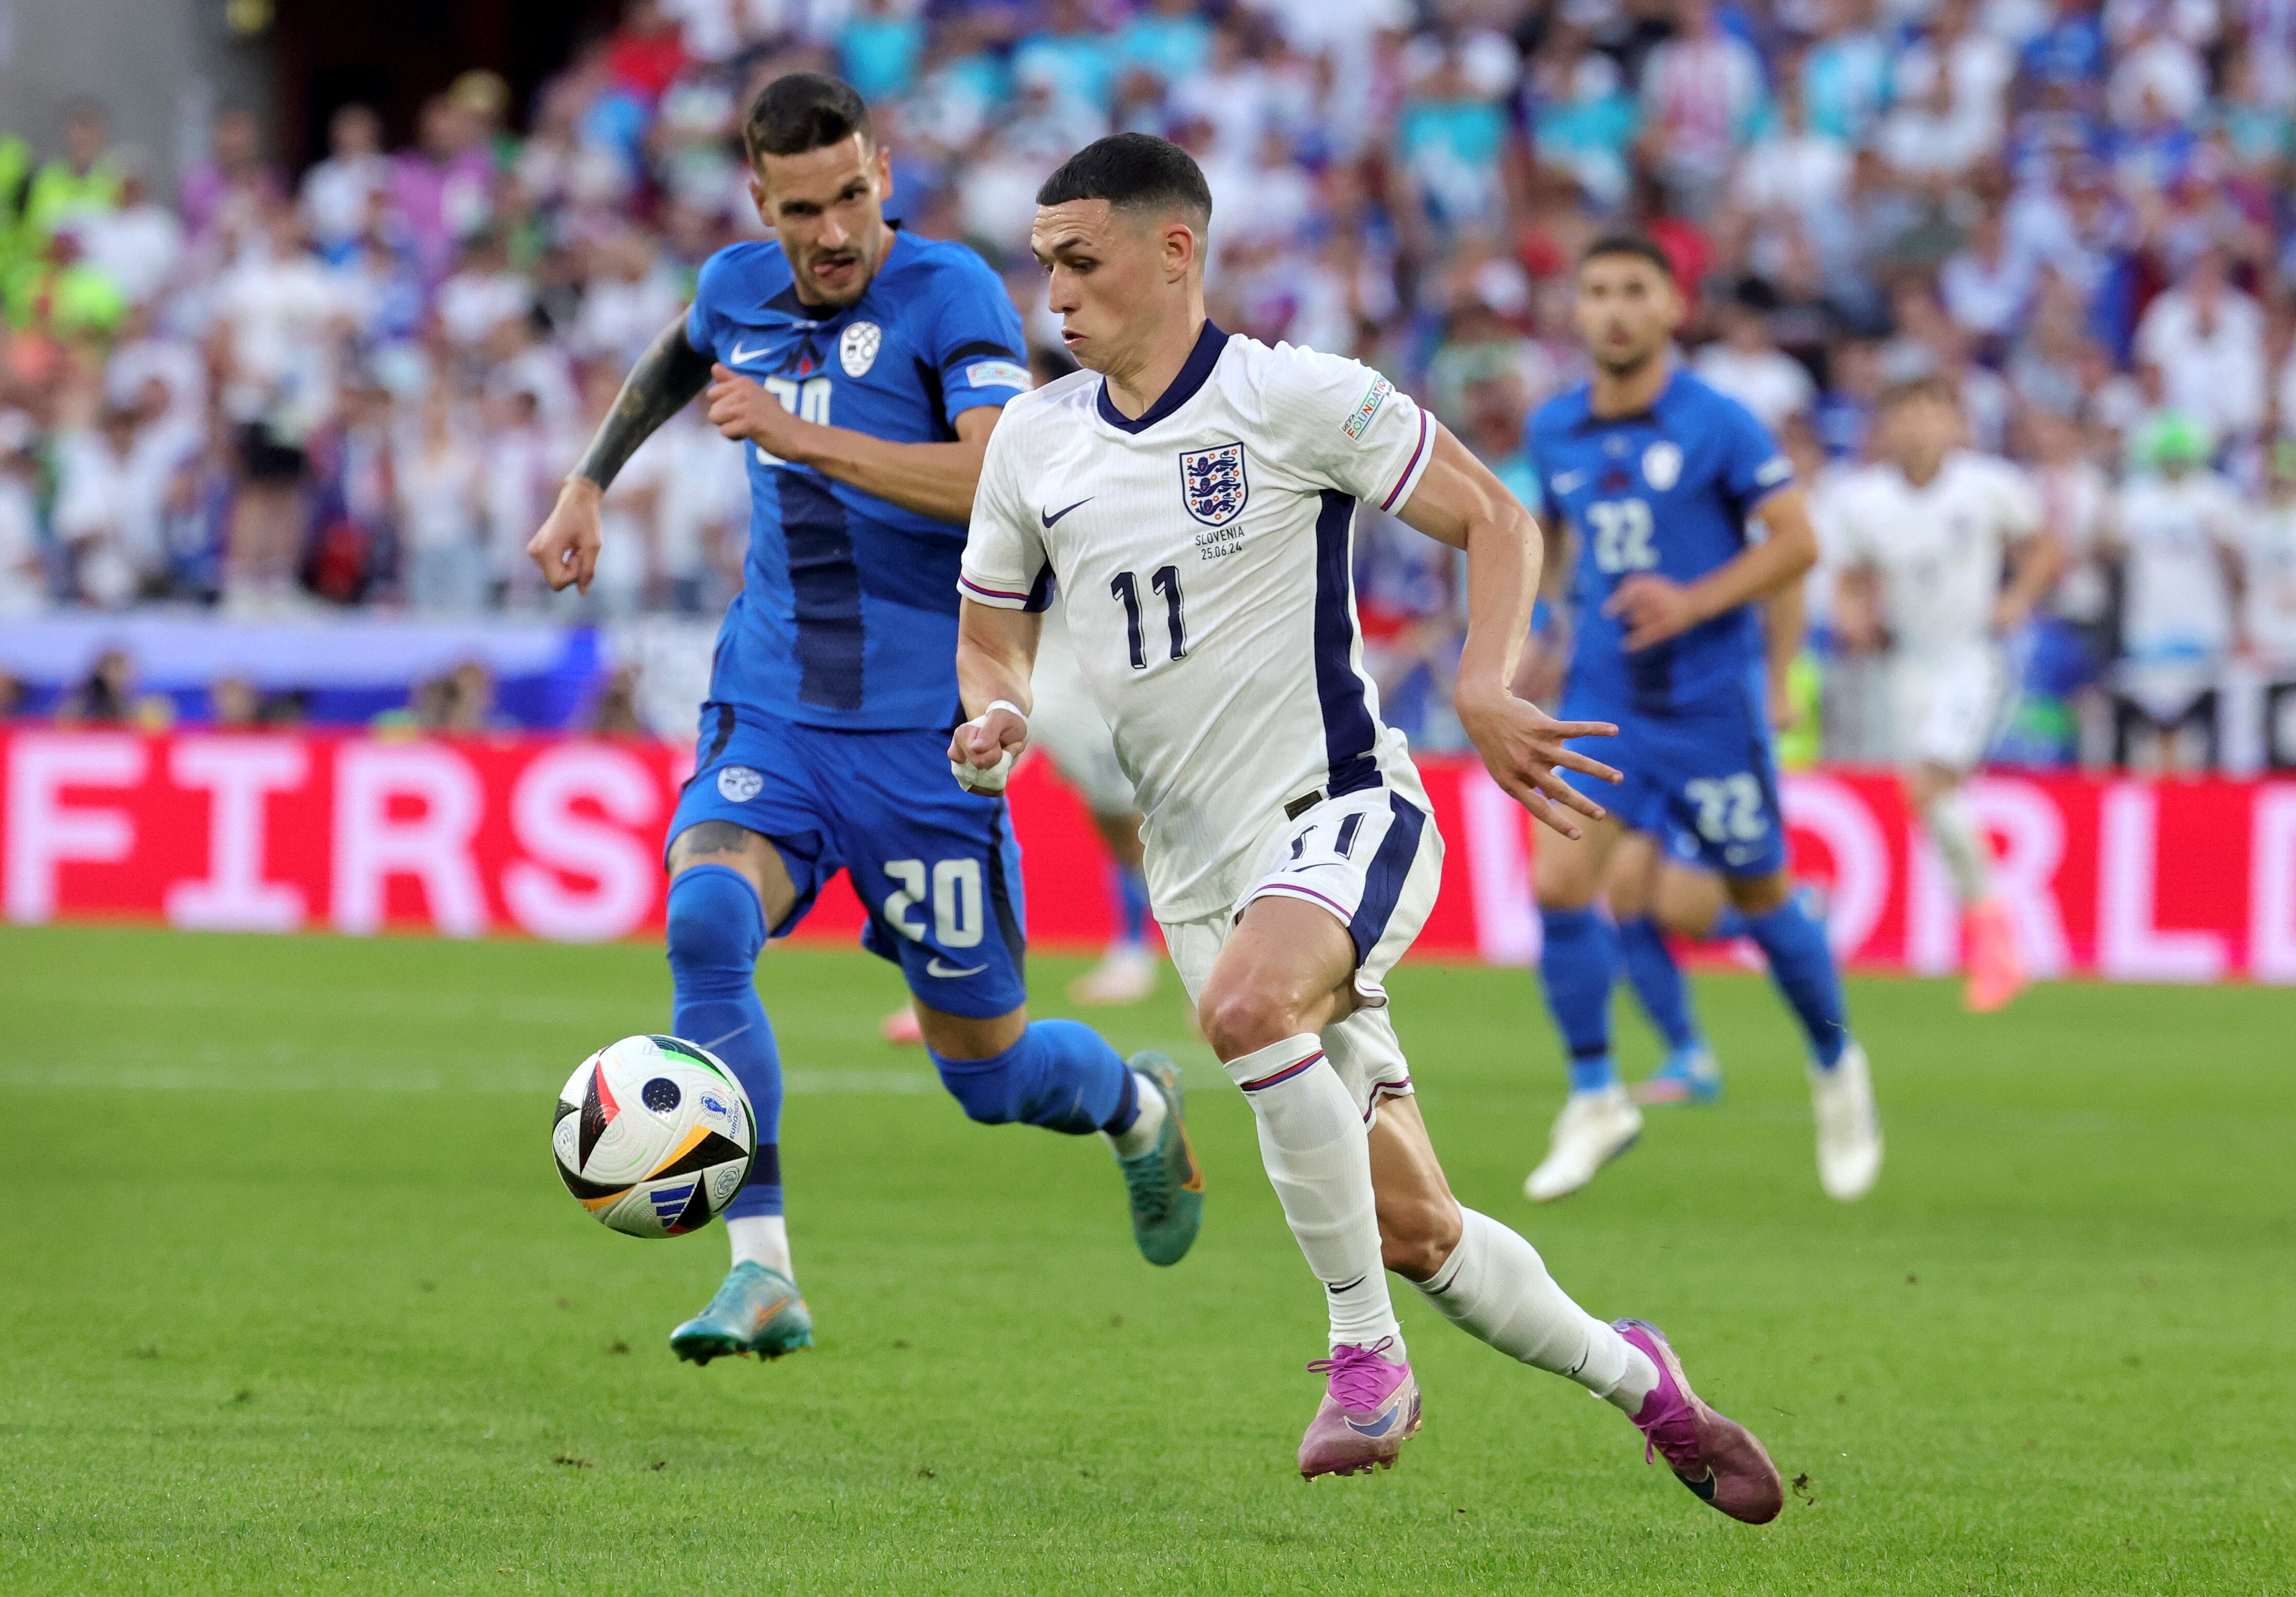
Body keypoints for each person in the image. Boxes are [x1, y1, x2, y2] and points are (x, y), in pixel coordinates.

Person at [954, 133, 1782, 1518]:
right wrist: (995, 714)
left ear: (1175, 253)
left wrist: (1481, 678)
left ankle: (1362, 1358)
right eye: (1043, 265)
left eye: (1081, 261)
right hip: (1199, 871)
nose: (1054, 294)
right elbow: (992, 636)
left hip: (1344, 811)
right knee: (1413, 1225)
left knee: (1245, 1009)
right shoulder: (1036, 441)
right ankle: (1645, 1382)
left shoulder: (1295, 397)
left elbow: (1496, 518)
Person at [526, 76, 1202, 1369]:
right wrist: (586, 481)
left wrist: (797, 435)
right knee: (706, 916)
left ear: (881, 173)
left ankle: (1131, 1099)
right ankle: (762, 1270)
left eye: (851, 195)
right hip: (775, 704)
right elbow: (684, 345)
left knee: (989, 1076)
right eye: (802, 209)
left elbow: (1005, 485)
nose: (833, 232)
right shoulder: (739, 288)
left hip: (927, 738)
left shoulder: (948, 296)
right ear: (760, 204)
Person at [1523, 234, 1881, 1206]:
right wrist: (1543, 626)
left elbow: (1795, 543)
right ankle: (1596, 1093)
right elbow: (1551, 539)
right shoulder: (1553, 428)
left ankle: (1833, 1065)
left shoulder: (1718, 423)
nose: (1612, 310)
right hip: (1603, 696)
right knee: (1558, 882)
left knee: (1762, 901)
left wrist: (1694, 604)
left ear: (1671, 308)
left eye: (1633, 291)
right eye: (1594, 291)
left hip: (1704, 705)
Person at [1828, 377, 2061, 1011]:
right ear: (1887, 426)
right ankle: (1994, 941)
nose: (1920, 426)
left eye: (1934, 412)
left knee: (1931, 786)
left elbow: (2044, 546)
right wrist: (1854, 617)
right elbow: (1849, 580)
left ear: (1954, 423)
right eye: (1906, 413)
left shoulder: (1987, 485)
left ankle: (1995, 937)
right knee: (1929, 800)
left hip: (1970, 659)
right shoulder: (1863, 501)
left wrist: (2016, 600)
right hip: (1906, 665)